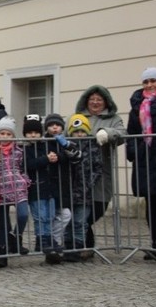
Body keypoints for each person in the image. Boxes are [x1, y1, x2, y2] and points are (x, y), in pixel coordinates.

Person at [126, 67, 156, 260]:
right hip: (146, 160)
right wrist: (133, 151)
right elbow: (131, 134)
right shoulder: (137, 106)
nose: (149, 85)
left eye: (153, 80)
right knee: (151, 203)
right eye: (146, 82)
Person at [74, 85, 126, 250]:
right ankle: (83, 246)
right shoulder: (78, 117)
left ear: (106, 102)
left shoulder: (113, 118)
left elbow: (122, 133)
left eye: (99, 99)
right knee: (79, 211)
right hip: (78, 173)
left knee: (97, 209)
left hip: (101, 173)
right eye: (92, 99)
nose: (95, 102)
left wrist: (107, 133)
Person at [22, 114, 63, 264]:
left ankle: (48, 238)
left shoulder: (46, 144)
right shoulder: (25, 149)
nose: (33, 135)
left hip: (49, 187)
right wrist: (46, 159)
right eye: (30, 132)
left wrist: (54, 157)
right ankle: (42, 239)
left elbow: (58, 156)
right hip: (35, 188)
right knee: (41, 216)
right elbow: (29, 164)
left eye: (36, 132)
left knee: (50, 215)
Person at [62, 114, 102, 262]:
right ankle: (67, 247)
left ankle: (78, 247)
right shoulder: (66, 146)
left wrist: (88, 184)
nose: (79, 134)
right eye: (76, 131)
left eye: (82, 131)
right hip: (68, 191)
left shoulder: (92, 146)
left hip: (85, 192)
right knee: (67, 221)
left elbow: (97, 168)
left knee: (80, 221)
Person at [0, 117, 30, 268]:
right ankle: (2, 253)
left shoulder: (19, 150)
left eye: (8, 134)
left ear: (13, 136)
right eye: (2, 133)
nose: (5, 136)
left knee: (23, 214)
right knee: (3, 222)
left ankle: (16, 237)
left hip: (18, 187)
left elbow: (23, 167)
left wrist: (24, 179)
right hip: (0, 189)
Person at [44, 113, 75, 251]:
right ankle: (49, 243)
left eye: (57, 125)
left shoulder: (65, 142)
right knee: (50, 215)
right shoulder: (43, 141)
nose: (55, 127)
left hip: (63, 184)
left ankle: (54, 239)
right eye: (51, 125)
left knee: (65, 214)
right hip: (48, 184)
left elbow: (76, 156)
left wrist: (66, 146)